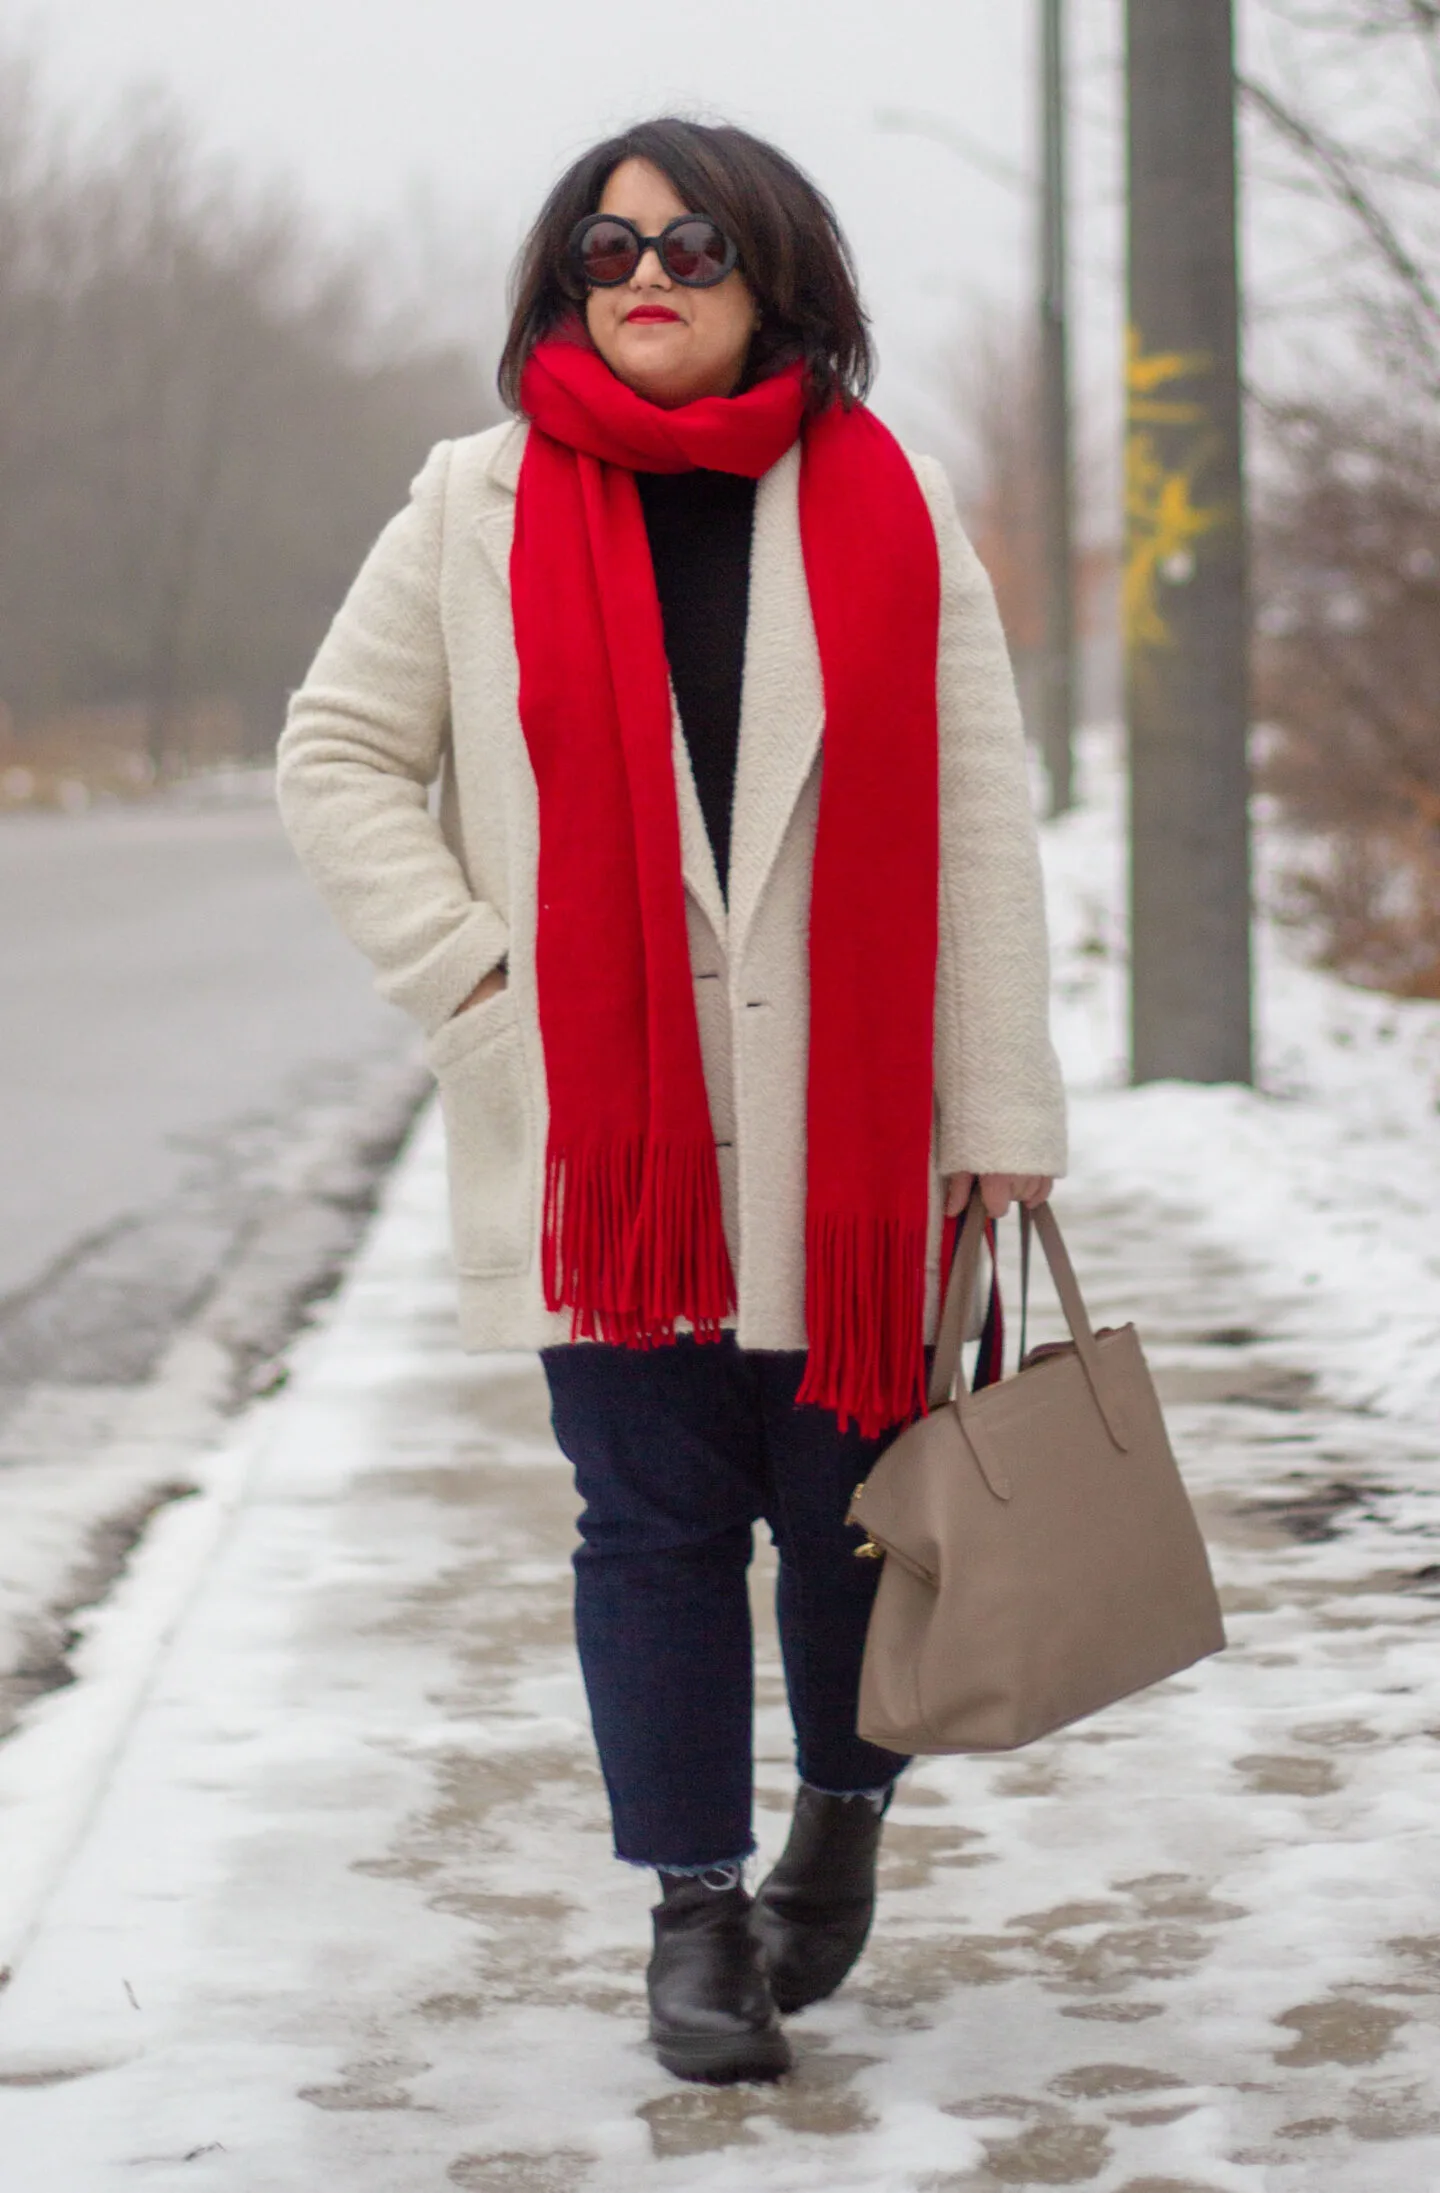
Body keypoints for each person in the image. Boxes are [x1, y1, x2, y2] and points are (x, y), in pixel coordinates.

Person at [276, 117, 1066, 2087]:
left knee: (852, 1521)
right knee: (650, 1524)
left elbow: (982, 832)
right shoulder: (472, 504)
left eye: (691, 240)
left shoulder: (891, 507)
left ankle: (843, 1822)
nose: (645, 270)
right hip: (605, 1139)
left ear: (775, 270)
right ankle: (694, 1911)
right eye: (602, 244)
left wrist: (1002, 1115)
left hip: (852, 1131)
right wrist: (482, 982)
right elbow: (337, 756)